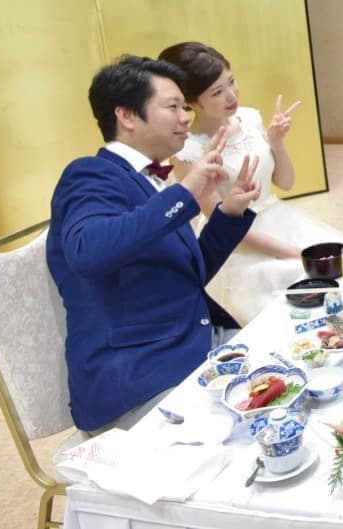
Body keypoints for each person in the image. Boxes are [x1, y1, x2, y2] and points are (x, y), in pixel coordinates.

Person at [47, 56, 260, 433]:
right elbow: (88, 252)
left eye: (185, 107)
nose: (186, 118)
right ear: (127, 116)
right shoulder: (89, 175)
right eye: (173, 107)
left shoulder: (151, 181)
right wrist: (184, 193)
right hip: (139, 376)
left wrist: (227, 213)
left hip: (192, 343)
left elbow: (183, 275)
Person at [158, 42, 343, 325]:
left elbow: (285, 182)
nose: (231, 95)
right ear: (192, 102)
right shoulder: (188, 152)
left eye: (231, 81)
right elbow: (222, 223)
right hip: (239, 243)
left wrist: (277, 143)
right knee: (301, 284)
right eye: (217, 92)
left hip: (282, 220)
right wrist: (295, 255)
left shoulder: (250, 118)